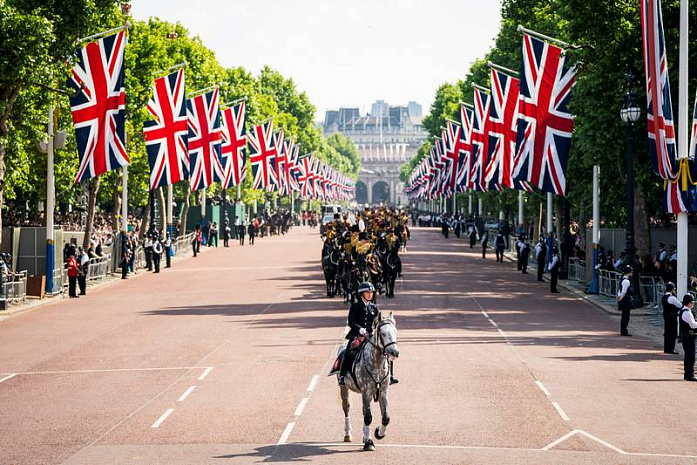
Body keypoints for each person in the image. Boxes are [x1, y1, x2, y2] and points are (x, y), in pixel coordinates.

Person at [680, 294, 697, 381]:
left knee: (689, 356)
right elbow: (693, 325)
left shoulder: (685, 311)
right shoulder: (686, 312)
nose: (693, 304)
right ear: (689, 303)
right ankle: (690, 374)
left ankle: (687, 374)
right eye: (692, 302)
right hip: (689, 337)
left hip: (688, 337)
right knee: (691, 356)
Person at [661, 282, 681, 354]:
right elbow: (680, 305)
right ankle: (671, 349)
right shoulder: (672, 298)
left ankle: (666, 348)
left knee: (667, 332)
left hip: (666, 316)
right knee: (673, 333)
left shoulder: (664, 297)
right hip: (672, 316)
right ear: (672, 289)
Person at [617, 265, 633, 336]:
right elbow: (624, 291)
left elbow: (620, 290)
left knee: (624, 315)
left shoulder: (622, 279)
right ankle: (624, 330)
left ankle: (623, 330)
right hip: (626, 299)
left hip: (623, 298)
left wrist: (619, 296)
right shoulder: (626, 281)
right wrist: (621, 297)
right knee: (626, 316)